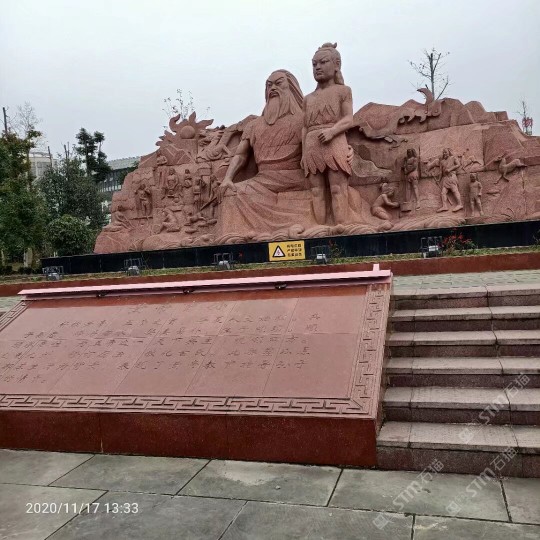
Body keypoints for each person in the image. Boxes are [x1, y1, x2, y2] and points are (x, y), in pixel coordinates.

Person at [301, 43, 354, 225]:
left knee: (337, 188)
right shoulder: (308, 99)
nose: (317, 67)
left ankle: (341, 228)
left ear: (336, 64)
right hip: (312, 145)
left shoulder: (343, 91)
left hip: (334, 141)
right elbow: (304, 127)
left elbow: (349, 119)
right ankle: (320, 230)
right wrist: (303, 152)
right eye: (314, 64)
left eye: (323, 62)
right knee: (316, 191)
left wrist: (332, 131)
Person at [435, 148, 463, 213]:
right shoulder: (442, 161)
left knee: (455, 191)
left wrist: (450, 169)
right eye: (443, 152)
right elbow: (440, 172)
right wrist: (438, 179)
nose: (444, 153)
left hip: (451, 177)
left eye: (446, 152)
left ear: (449, 152)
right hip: (445, 179)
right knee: (443, 193)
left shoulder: (453, 158)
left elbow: (458, 164)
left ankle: (460, 204)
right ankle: (445, 206)